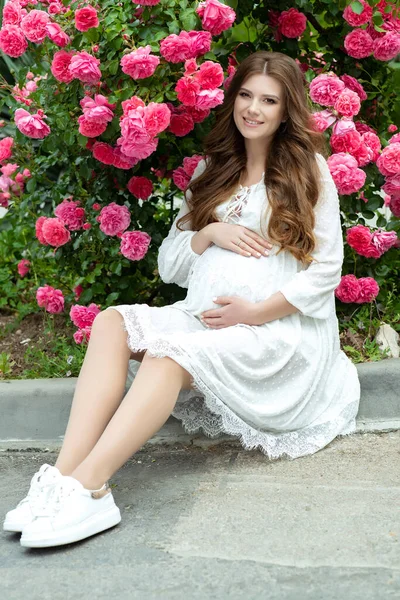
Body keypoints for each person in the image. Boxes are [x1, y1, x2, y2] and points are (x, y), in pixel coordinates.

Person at [3, 50, 360, 548]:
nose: (253, 109)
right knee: (110, 322)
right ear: (234, 98)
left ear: (286, 110)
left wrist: (255, 311)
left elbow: (326, 270)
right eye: (246, 95)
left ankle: (92, 488)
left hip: (275, 334)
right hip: (203, 317)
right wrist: (210, 231)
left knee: (168, 355)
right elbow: (170, 263)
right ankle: (62, 479)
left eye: (269, 100)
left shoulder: (310, 171)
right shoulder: (212, 171)